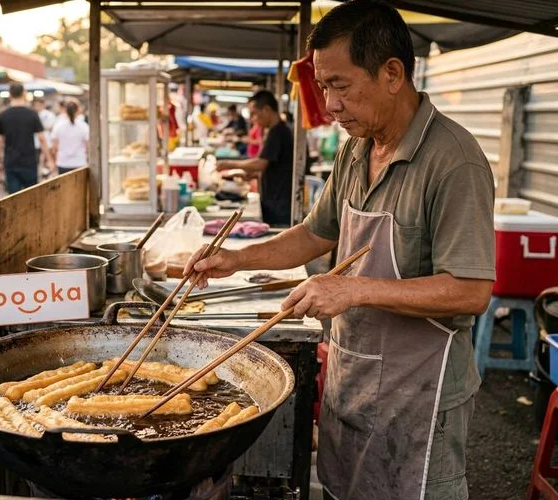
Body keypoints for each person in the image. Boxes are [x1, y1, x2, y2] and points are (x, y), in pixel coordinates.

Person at [187, 1, 495, 499]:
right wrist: (237, 260)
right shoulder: (356, 148)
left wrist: (351, 290)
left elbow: (470, 290)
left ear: (392, 74)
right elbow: (315, 234)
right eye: (324, 87)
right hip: (352, 379)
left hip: (419, 397)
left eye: (340, 86)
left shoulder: (454, 162)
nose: (328, 105)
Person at [217, 91, 292, 226]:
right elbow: (271, 165)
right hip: (274, 199)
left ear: (267, 110)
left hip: (279, 203)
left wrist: (227, 164)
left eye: (254, 113)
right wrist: (251, 175)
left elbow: (261, 164)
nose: (253, 119)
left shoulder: (278, 132)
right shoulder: (275, 131)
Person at [0, 83, 54, 193]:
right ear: (24, 93)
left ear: (10, 95)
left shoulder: (3, 115)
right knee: (31, 196)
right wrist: (50, 159)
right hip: (29, 161)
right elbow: (42, 138)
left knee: (13, 197)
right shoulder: (32, 114)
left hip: (11, 161)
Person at [51, 100, 89, 175]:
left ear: (65, 110)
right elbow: (88, 147)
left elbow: (55, 147)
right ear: (78, 110)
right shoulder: (84, 126)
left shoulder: (58, 126)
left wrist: (54, 161)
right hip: (79, 162)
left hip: (63, 163)